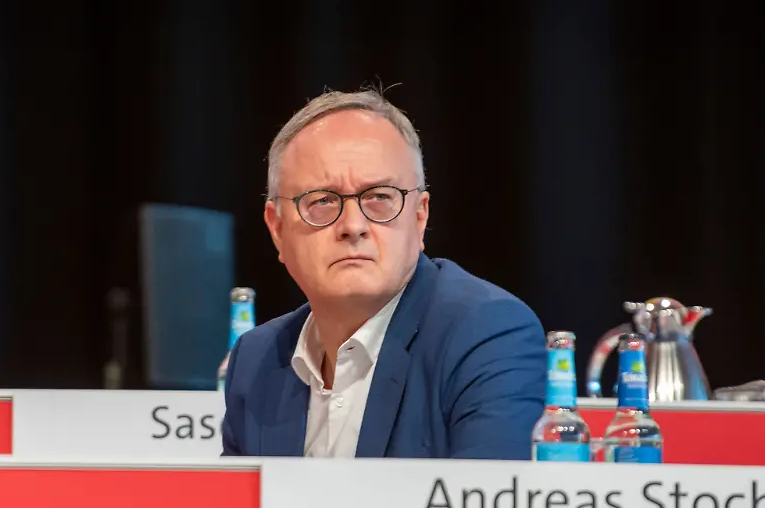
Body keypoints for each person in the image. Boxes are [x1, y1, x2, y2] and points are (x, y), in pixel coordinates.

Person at [220, 88, 546, 459]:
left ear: (420, 217)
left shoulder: (487, 334)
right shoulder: (256, 359)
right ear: (277, 228)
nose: (353, 225)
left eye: (379, 197)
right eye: (323, 201)